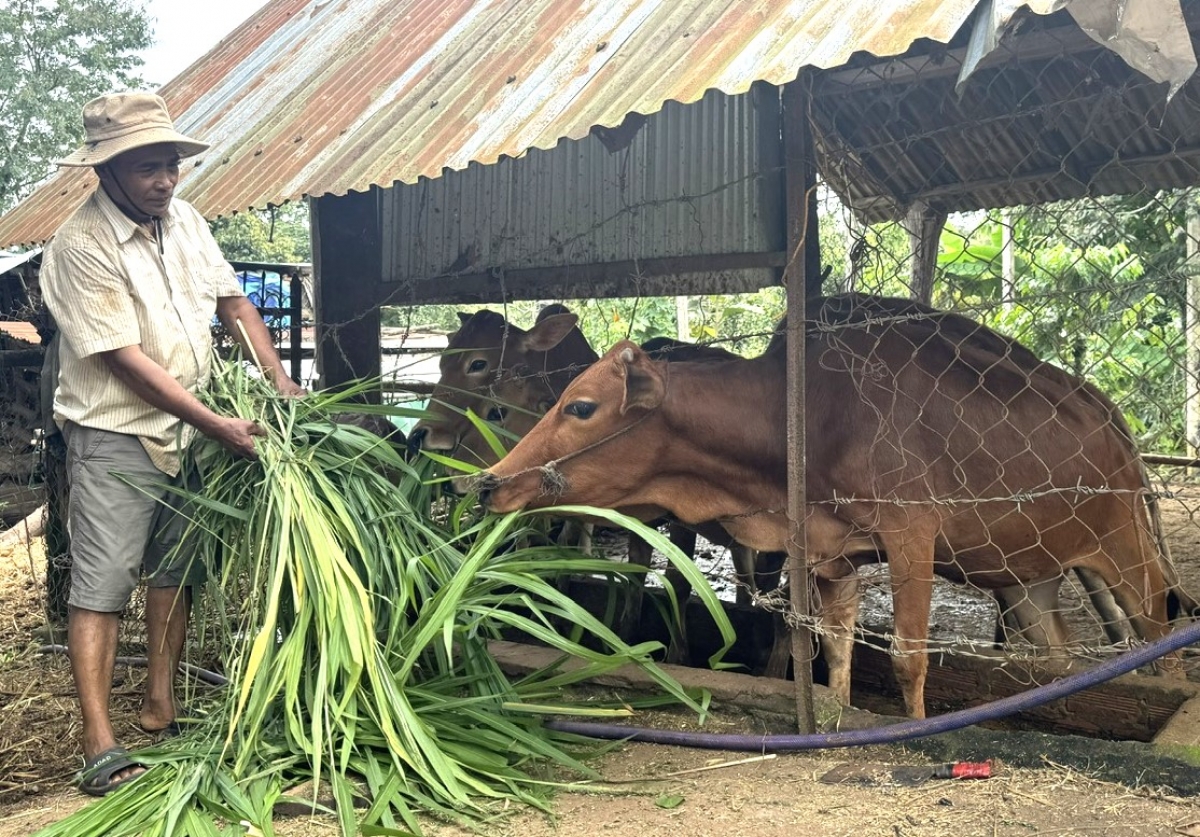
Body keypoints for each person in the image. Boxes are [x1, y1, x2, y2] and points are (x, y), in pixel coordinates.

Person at [40, 92, 305, 797]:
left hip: (193, 428)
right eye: (148, 168)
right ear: (106, 171)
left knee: (174, 569)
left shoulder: (185, 220)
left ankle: (163, 702)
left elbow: (234, 302)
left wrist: (277, 380)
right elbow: (124, 360)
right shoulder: (80, 246)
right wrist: (219, 424)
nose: (165, 180)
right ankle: (100, 738)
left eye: (171, 166)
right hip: (116, 433)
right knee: (102, 585)